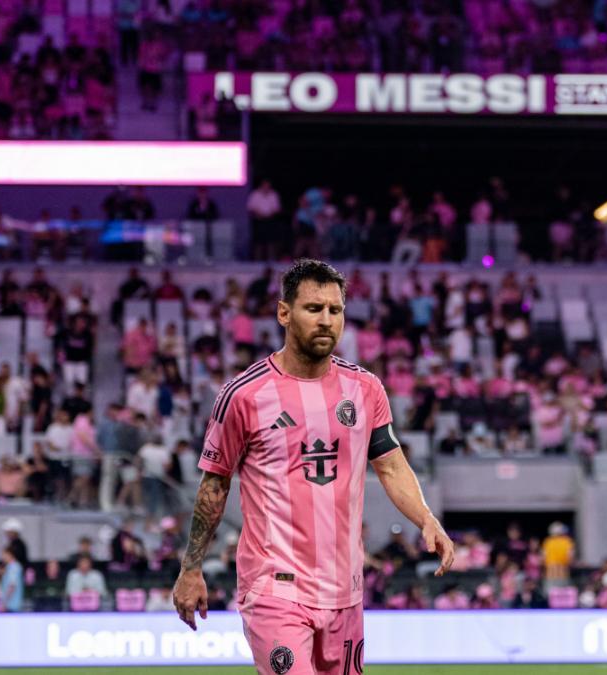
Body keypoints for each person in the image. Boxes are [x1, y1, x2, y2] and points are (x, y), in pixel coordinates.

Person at [172, 259, 455, 675]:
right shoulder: (245, 395)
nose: (326, 321)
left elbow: (391, 466)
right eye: (313, 309)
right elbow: (214, 485)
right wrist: (191, 568)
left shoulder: (365, 389)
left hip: (345, 591)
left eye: (335, 311)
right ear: (284, 313)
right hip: (274, 588)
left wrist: (426, 519)